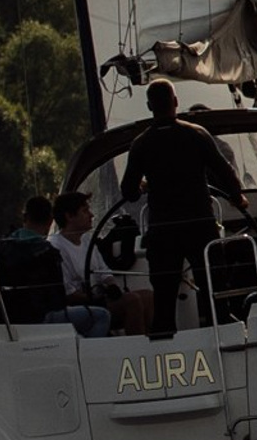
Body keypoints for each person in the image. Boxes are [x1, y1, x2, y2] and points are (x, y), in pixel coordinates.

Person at [119, 79, 246, 339]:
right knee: (212, 283)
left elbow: (128, 191)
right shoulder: (196, 134)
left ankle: (164, 342)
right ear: (175, 102)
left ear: (149, 106)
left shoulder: (141, 144)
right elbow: (224, 172)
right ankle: (221, 332)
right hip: (200, 224)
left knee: (164, 293)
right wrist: (238, 197)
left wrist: (144, 185)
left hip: (163, 229)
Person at [45, 193, 117, 338]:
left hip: (98, 297)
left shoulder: (86, 240)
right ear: (69, 216)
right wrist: (96, 298)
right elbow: (69, 293)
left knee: (146, 297)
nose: (91, 215)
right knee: (133, 302)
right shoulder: (56, 246)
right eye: (85, 211)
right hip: (82, 303)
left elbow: (103, 271)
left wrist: (112, 285)